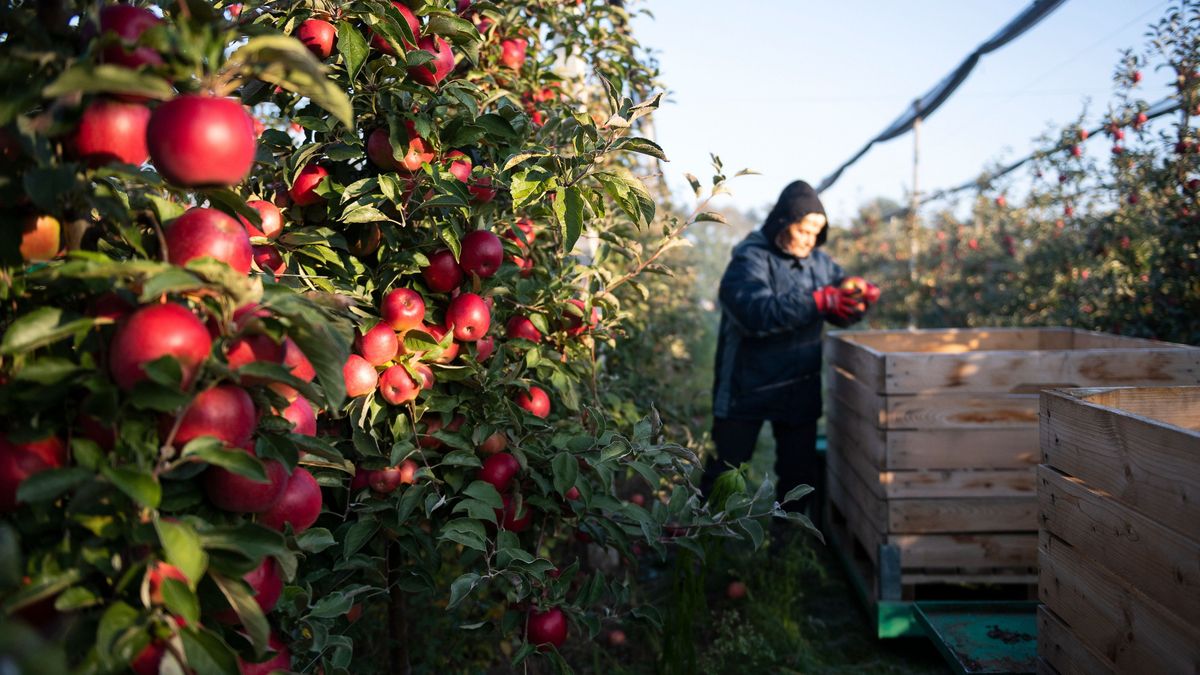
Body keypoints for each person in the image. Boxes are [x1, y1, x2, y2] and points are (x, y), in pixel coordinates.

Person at [703, 180, 867, 515]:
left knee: (797, 476)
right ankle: (704, 543)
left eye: (816, 232)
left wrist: (858, 302)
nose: (810, 239)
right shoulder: (749, 259)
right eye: (804, 230)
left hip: (798, 386)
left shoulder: (821, 265)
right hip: (746, 386)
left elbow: (840, 303)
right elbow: (755, 313)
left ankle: (787, 545)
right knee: (726, 473)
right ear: (783, 223)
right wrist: (818, 300)